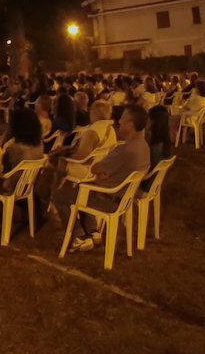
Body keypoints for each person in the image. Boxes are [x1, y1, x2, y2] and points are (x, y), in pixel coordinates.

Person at [52, 104, 150, 252]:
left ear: (130, 125)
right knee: (84, 187)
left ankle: (79, 237)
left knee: (59, 195)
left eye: (122, 119)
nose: (118, 122)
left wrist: (104, 172)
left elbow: (95, 168)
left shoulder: (125, 150)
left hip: (109, 197)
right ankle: (93, 230)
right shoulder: (143, 146)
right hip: (122, 195)